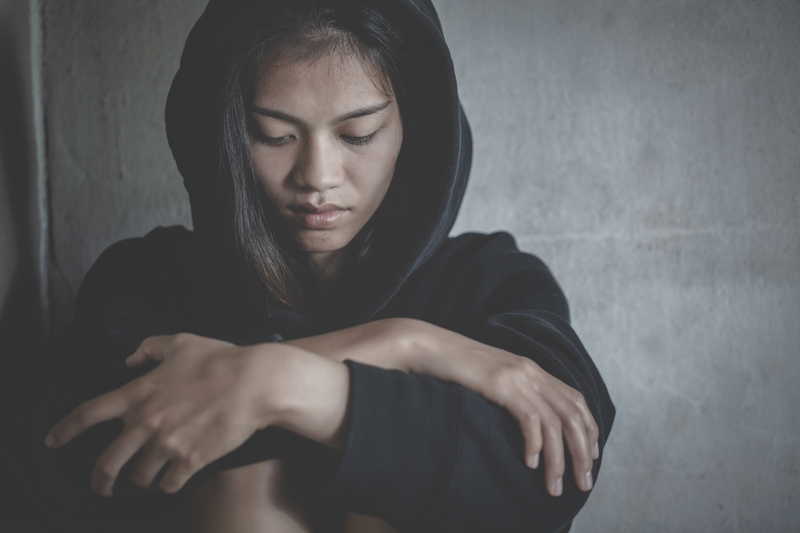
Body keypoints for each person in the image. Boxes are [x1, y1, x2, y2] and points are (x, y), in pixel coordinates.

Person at [44, 0, 615, 531]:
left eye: (358, 135)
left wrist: (268, 383)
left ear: (413, 128)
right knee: (249, 489)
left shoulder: (490, 279)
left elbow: (553, 471)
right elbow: (87, 447)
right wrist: (405, 347)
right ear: (225, 130)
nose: (318, 177)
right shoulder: (147, 278)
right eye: (274, 135)